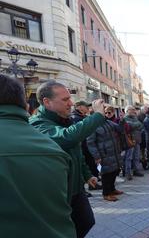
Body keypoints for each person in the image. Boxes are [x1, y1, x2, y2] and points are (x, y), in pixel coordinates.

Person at [0, 74, 76, 237]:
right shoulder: (50, 142)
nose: (71, 104)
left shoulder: (59, 133)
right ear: (26, 106)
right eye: (65, 100)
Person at [29, 80, 106, 238]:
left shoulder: (64, 120)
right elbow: (67, 138)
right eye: (65, 100)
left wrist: (87, 174)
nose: (71, 103)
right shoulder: (37, 124)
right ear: (47, 102)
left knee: (86, 222)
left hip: (76, 189)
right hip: (59, 193)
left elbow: (77, 151)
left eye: (69, 98)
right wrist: (97, 115)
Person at [87, 108, 124, 201]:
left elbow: (120, 129)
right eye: (104, 112)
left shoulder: (108, 122)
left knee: (115, 171)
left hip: (114, 152)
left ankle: (112, 189)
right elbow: (90, 142)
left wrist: (122, 120)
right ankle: (106, 193)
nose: (106, 114)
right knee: (106, 174)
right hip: (103, 154)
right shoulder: (93, 126)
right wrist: (97, 156)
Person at [71, 101, 102, 193]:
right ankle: (82, 189)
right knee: (81, 168)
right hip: (82, 147)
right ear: (79, 107)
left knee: (91, 165)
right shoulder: (75, 118)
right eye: (86, 106)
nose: (88, 108)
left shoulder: (83, 117)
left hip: (87, 146)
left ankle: (93, 184)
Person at [124, 105, 145, 180]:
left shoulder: (135, 118)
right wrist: (135, 125)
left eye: (134, 109)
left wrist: (135, 125)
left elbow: (141, 126)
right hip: (130, 140)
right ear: (127, 111)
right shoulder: (125, 118)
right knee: (129, 157)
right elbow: (130, 126)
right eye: (131, 109)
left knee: (137, 156)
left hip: (137, 140)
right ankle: (128, 172)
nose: (134, 111)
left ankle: (136, 170)